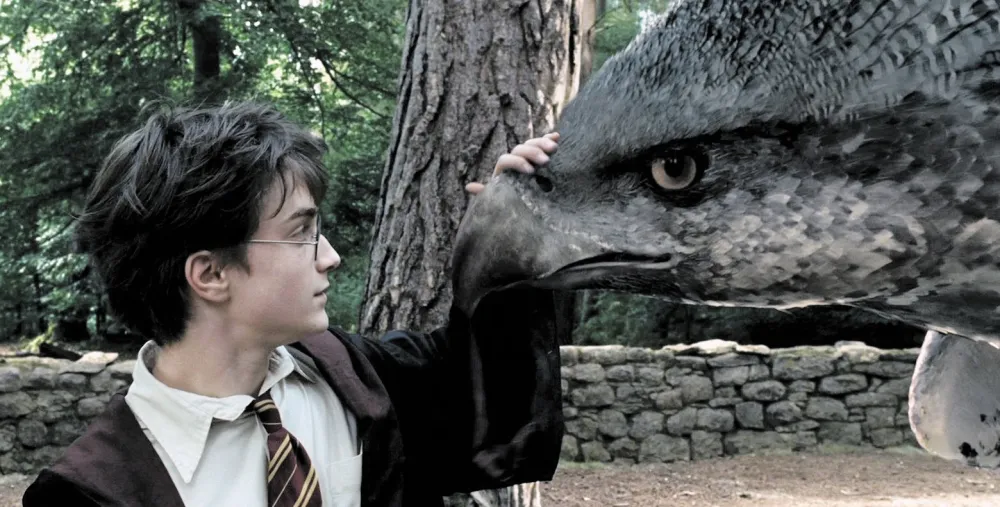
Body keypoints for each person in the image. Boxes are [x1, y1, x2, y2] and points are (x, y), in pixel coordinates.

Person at [22, 101, 562, 506]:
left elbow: (485, 401)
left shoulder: (347, 374)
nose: (330, 256)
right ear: (211, 274)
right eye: (302, 232)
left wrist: (502, 249)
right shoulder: (91, 492)